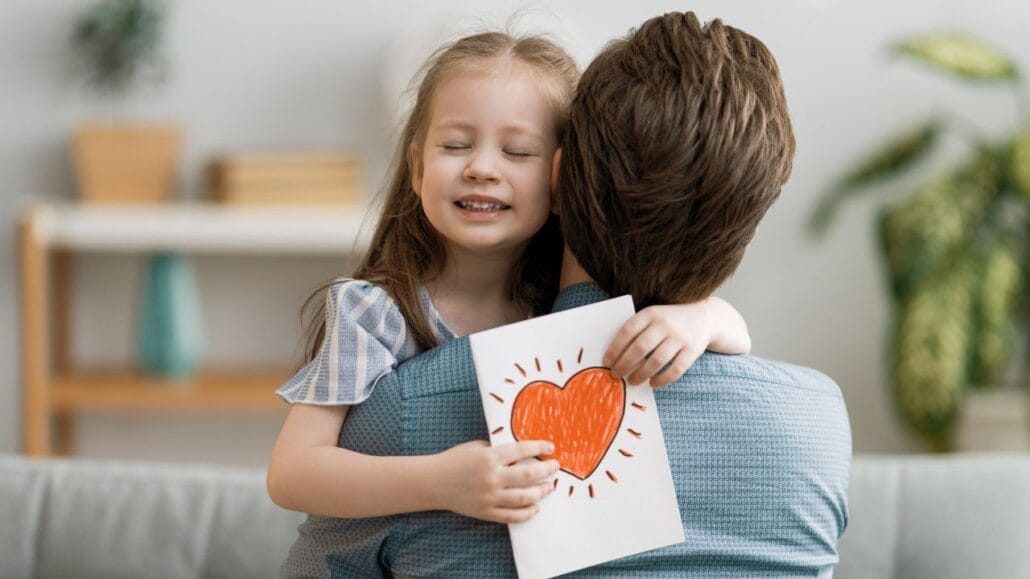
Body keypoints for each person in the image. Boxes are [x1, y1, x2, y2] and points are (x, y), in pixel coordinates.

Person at [279, 11, 851, 579]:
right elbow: (291, 473)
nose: (482, 168)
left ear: (558, 181)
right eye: (456, 144)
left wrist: (704, 318)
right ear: (415, 164)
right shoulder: (373, 316)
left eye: (517, 152)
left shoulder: (533, 316)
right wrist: (442, 480)